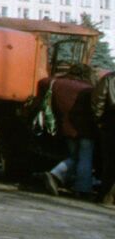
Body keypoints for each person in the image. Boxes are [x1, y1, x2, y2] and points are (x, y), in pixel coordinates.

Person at [40, 65, 98, 198]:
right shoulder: (88, 89)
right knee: (85, 158)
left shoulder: (57, 84)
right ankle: (80, 188)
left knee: (75, 157)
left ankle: (56, 176)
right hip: (86, 130)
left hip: (66, 128)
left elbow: (43, 82)